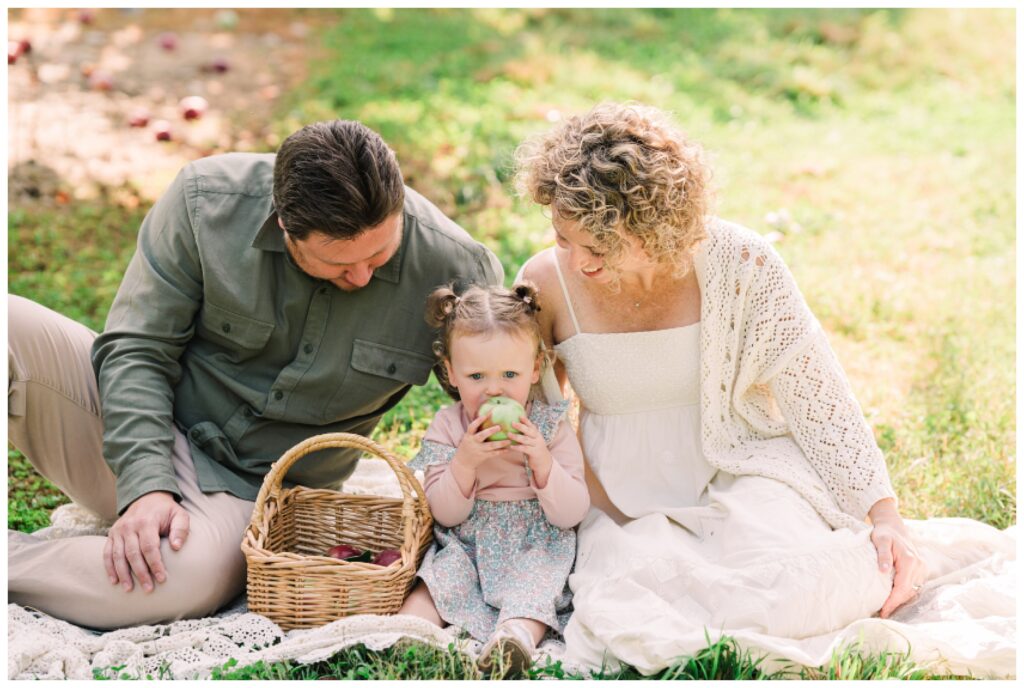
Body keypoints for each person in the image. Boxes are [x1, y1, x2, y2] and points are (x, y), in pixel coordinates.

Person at [8, 120, 503, 630]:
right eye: (337, 264)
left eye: (379, 255)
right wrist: (146, 487)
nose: (361, 277)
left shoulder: (458, 271)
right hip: (135, 425)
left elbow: (491, 405)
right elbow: (138, 349)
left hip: (249, 495)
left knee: (180, 579)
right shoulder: (205, 203)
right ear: (285, 227)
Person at [513, 102, 930, 671]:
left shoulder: (743, 262)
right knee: (622, 608)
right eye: (565, 237)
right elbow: (528, 413)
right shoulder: (544, 281)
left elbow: (821, 401)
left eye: (600, 247)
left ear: (655, 230)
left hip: (741, 472)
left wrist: (884, 516)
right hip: (611, 498)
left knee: (828, 577)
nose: (578, 259)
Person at [398, 282, 590, 672]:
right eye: (476, 377)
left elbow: (572, 513)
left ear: (535, 368)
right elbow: (445, 513)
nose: (493, 390)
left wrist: (541, 460)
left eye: (508, 374)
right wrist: (464, 464)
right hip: (468, 540)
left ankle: (514, 637)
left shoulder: (548, 427)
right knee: (437, 579)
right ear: (451, 373)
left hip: (536, 540)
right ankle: (407, 631)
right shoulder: (449, 427)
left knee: (535, 587)